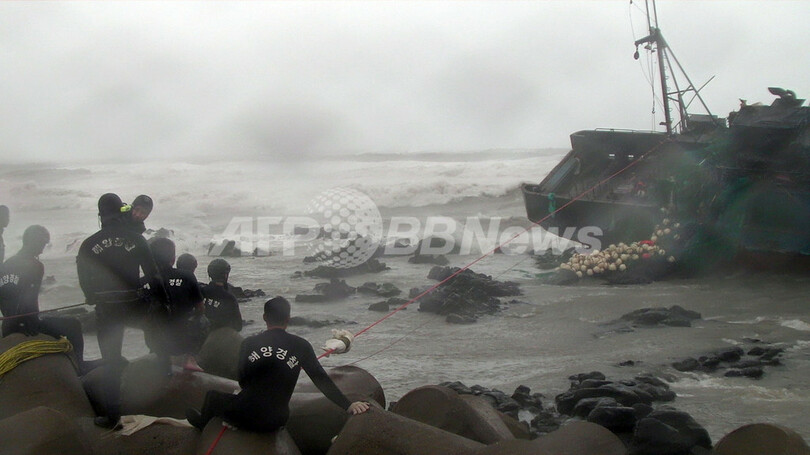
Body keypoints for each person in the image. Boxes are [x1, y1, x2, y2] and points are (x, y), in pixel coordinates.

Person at [186, 296, 369, 432]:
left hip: (246, 415)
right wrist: (348, 405)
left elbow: (242, 380)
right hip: (276, 420)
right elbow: (321, 379)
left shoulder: (249, 343)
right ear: (288, 319)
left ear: (265, 317)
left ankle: (201, 425)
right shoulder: (301, 345)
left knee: (213, 396)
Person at [76, 193, 168, 429]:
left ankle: (112, 416)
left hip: (107, 309)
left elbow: (84, 279)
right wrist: (163, 301)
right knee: (156, 323)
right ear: (122, 211)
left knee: (111, 360)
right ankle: (165, 365)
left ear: (100, 215)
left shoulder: (88, 244)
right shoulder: (136, 239)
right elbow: (154, 275)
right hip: (133, 303)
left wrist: (90, 296)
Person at [0, 225, 86, 370]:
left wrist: (12, 318)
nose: (42, 250)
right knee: (74, 324)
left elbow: (3, 297)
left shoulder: (6, 264)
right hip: (27, 324)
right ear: (33, 242)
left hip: (8, 325)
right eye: (42, 244)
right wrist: (29, 322)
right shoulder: (35, 265)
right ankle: (80, 367)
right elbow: (29, 297)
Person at [143, 238, 207, 374]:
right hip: (181, 342)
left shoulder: (143, 281)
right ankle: (190, 358)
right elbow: (200, 308)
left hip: (155, 339)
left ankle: (155, 352)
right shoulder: (187, 276)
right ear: (173, 259)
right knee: (204, 320)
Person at [201, 259, 242, 332]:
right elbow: (238, 326)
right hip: (219, 334)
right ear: (225, 275)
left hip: (201, 332)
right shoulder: (229, 298)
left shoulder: (200, 292)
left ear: (209, 274)